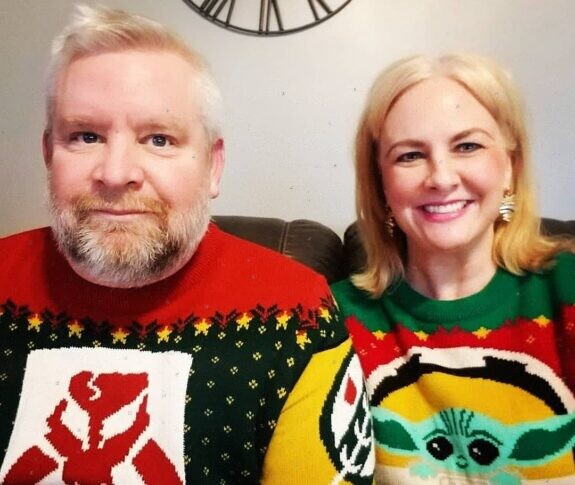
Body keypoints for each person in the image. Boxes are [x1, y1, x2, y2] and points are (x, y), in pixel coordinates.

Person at [0, 5, 374, 484]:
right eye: (86, 136)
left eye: (158, 139)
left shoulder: (298, 314)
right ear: (49, 153)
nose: (116, 173)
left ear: (213, 167)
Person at [331, 53, 575, 484]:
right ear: (381, 184)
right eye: (409, 155)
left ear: (511, 167)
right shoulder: (334, 317)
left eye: (467, 146)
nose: (441, 178)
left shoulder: (567, 289)